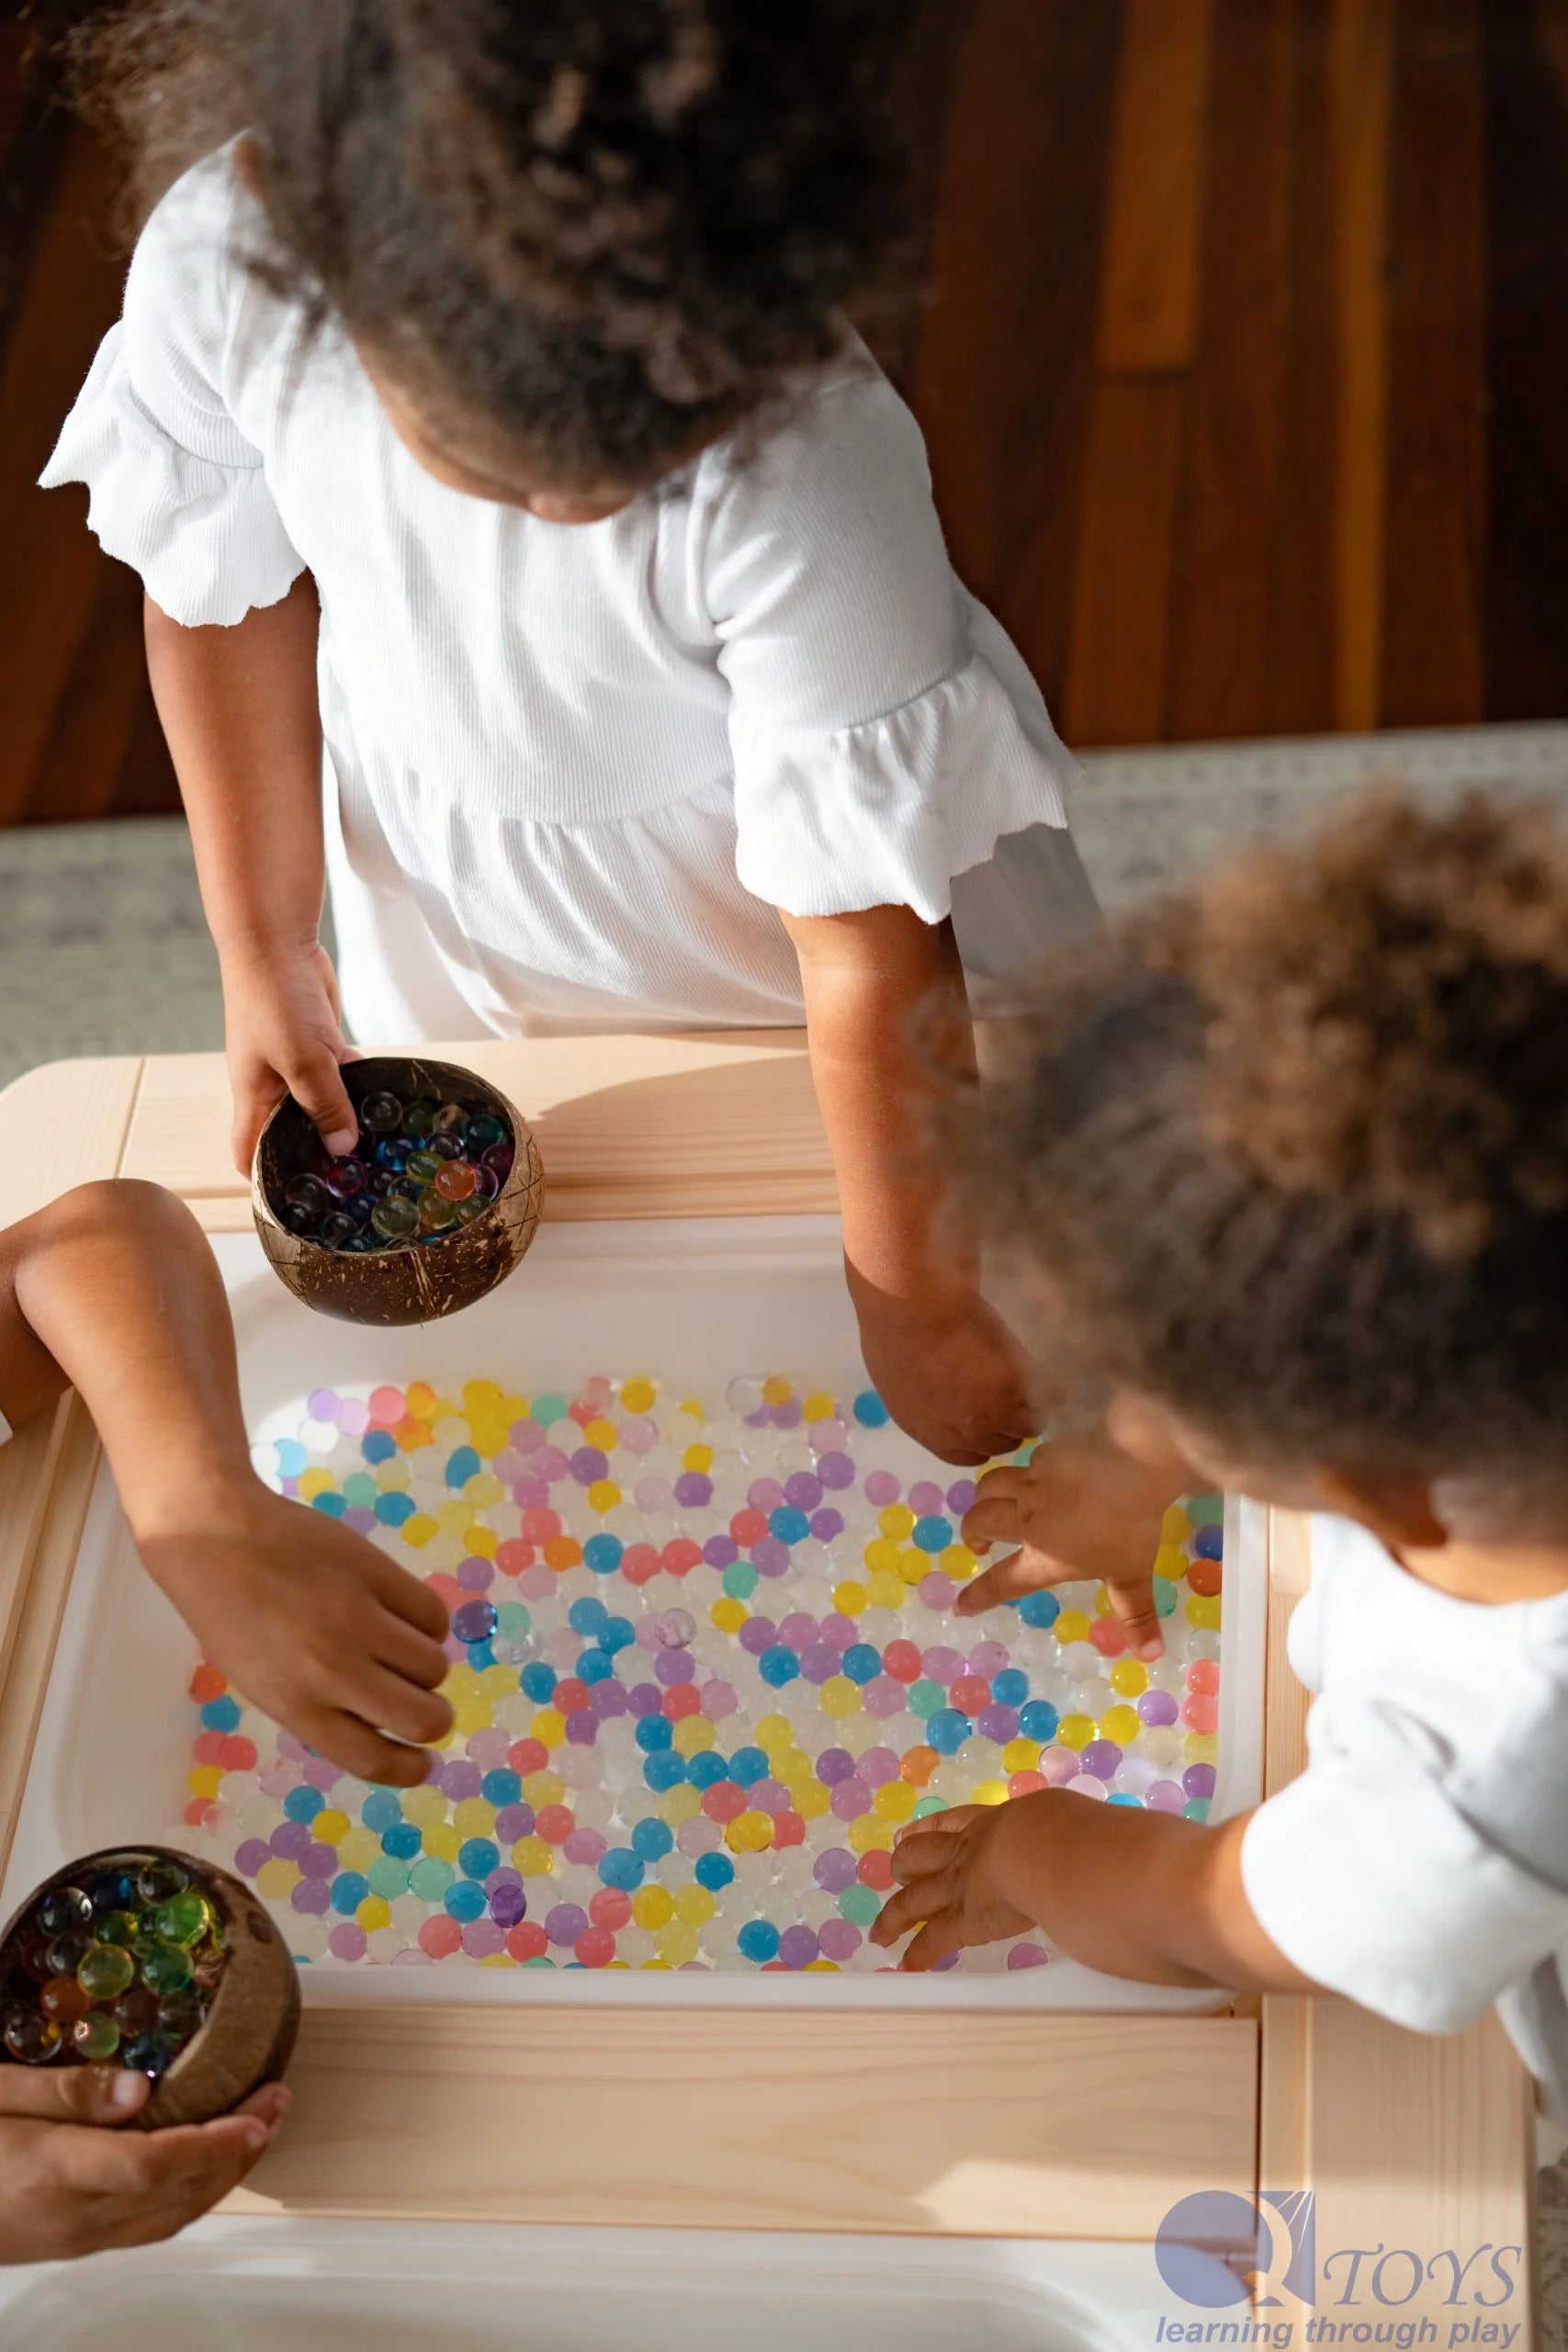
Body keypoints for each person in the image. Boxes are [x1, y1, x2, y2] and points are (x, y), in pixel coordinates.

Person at [39, 0, 1099, 1467]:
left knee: (1016, 1253)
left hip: (839, 1003)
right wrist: (267, 946)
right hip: (467, 931)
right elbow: (222, 601)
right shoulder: (236, 259)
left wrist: (916, 1301)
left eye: (638, 443)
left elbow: (869, 956)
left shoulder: (808, 459)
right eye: (500, 457)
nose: (570, 507)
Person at [872, 791, 1568, 2150]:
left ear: (1366, 1483)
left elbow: (1211, 1917)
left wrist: (1040, 1849)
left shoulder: (1476, 1778)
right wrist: (1128, 1474)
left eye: (1164, 1402)